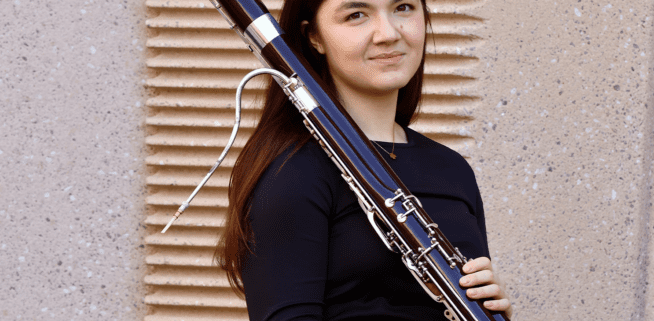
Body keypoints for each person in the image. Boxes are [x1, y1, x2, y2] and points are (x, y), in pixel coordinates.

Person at [214, 0, 512, 319]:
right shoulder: (292, 171)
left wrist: (490, 304)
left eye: (403, 7)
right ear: (313, 36)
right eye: (356, 15)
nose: (387, 33)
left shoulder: (452, 169)